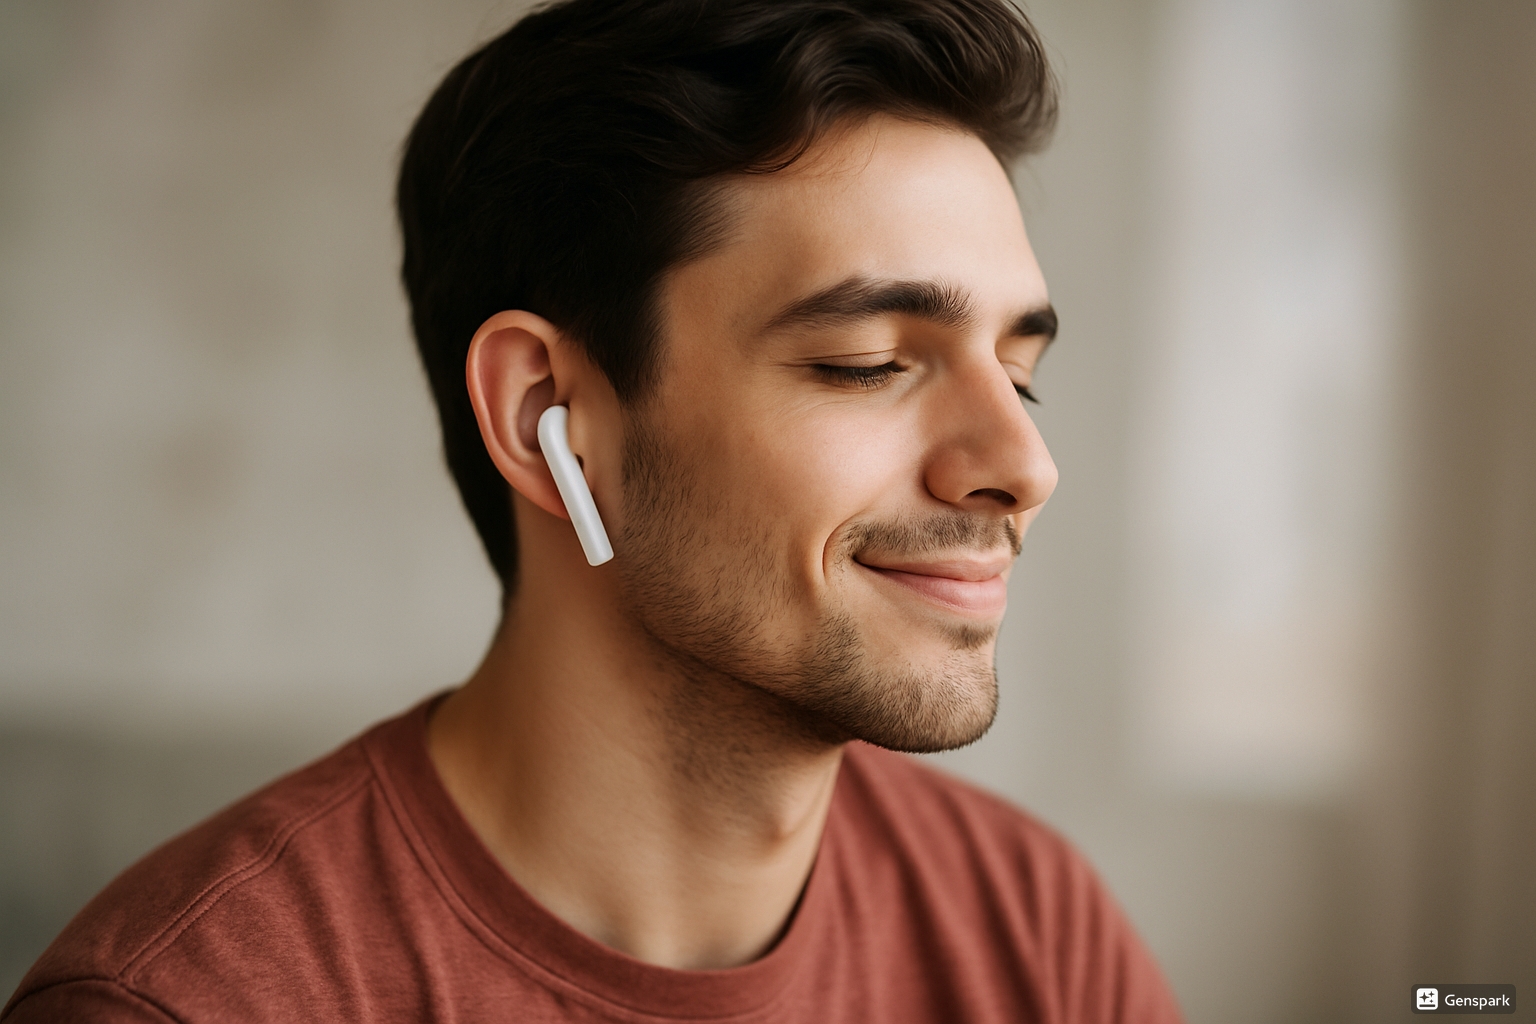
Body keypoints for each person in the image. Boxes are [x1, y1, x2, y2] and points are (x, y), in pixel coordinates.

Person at [3, 0, 1185, 1020]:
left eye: (1019, 372)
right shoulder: (192, 1001)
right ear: (544, 416)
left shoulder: (1036, 941)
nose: (1023, 462)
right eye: (870, 360)